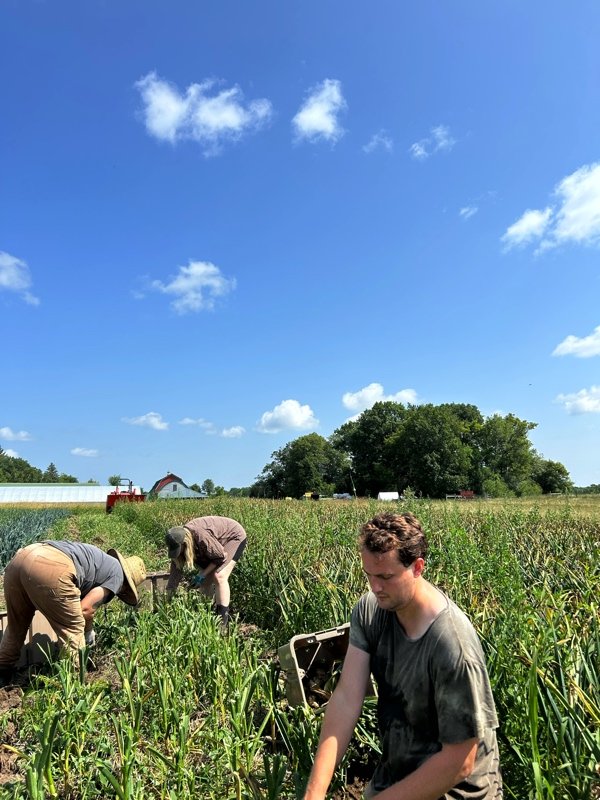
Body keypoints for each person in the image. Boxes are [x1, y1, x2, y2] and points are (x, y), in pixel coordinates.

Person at [303, 512, 502, 800]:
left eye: (386, 577)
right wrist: (314, 793)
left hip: (459, 789)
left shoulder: (452, 646)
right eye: (369, 575)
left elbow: (460, 762)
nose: (375, 588)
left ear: (418, 567)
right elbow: (346, 699)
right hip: (397, 770)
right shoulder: (371, 611)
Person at [0, 541, 146, 687]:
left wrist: (88, 627)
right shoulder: (118, 576)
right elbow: (85, 609)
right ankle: (74, 685)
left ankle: (2, 674)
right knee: (73, 629)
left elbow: (83, 607)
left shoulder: (104, 562)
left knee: (15, 628)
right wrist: (88, 633)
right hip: (50, 567)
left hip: (20, 560)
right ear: (127, 585)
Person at [165, 516, 247, 628]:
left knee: (219, 576)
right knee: (204, 582)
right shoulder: (179, 542)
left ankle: (222, 622)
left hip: (232, 537)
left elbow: (220, 557)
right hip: (214, 546)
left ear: (185, 543)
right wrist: (169, 595)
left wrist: (202, 574)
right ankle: (207, 614)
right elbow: (176, 570)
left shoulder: (200, 536)